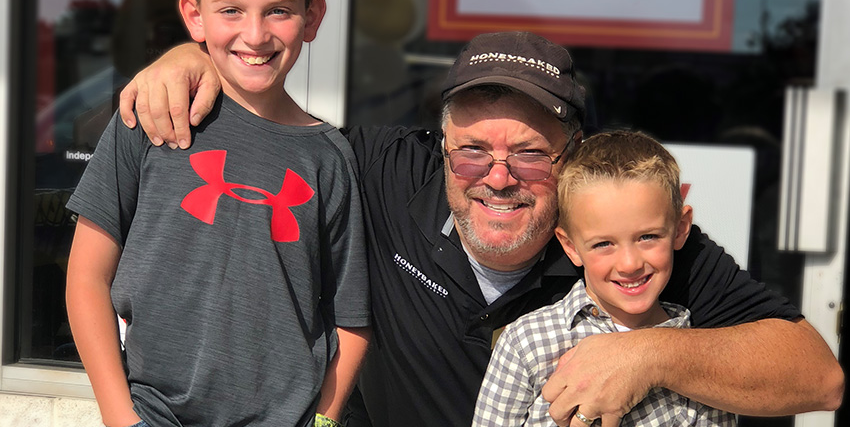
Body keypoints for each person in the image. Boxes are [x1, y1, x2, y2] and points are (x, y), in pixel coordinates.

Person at [116, 31, 843, 427]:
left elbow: (819, 376)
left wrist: (648, 355)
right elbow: (267, 135)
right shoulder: (376, 172)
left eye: (530, 153)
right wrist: (190, 60)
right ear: (440, 148)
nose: (498, 176)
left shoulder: (622, 244)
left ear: (573, 162)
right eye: (473, 150)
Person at [65, 0, 370, 426]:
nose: (255, 34)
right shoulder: (150, 117)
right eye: (231, 10)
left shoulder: (329, 159)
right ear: (194, 16)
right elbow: (87, 277)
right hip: (152, 414)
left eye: (279, 11)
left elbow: (351, 317)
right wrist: (120, 418)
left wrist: (325, 422)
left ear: (312, 19)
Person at [473, 130, 735, 426]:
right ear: (570, 246)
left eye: (648, 237)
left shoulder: (700, 354)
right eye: (603, 244)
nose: (629, 263)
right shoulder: (527, 343)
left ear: (680, 228)